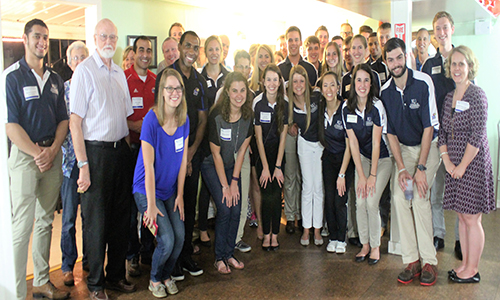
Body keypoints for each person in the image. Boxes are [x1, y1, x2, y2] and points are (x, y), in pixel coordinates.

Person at [70, 18, 137, 300]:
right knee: (96, 223)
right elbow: (75, 123)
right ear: (95, 39)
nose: (109, 41)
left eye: (113, 36)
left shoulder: (120, 73)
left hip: (120, 152)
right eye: (103, 36)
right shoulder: (83, 73)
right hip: (94, 155)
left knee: (122, 219)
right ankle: (96, 285)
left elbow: (125, 117)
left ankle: (115, 277)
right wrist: (83, 166)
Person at [4, 18, 70, 300]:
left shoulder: (55, 79)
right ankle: (18, 293)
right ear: (25, 39)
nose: (42, 42)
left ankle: (42, 282)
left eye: (46, 37)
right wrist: (37, 153)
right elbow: (11, 125)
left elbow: (63, 120)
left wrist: (53, 150)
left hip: (51, 157)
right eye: (37, 37)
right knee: (22, 226)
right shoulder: (12, 77)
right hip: (25, 159)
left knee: (45, 221)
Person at [381, 37, 440, 286]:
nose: (395, 63)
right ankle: (411, 260)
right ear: (386, 62)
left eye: (399, 57)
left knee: (419, 195)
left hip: (429, 147)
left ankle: (429, 261)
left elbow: (429, 128)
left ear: (406, 56)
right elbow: (390, 134)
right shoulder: (385, 92)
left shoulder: (423, 82)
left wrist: (421, 168)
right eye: (390, 59)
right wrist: (403, 168)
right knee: (399, 197)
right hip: (404, 151)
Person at [155, 31, 208, 280]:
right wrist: (178, 157)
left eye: (196, 47)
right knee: (167, 204)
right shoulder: (167, 76)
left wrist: (190, 153)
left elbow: (202, 119)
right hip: (168, 156)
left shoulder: (199, 80)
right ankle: (168, 261)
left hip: (191, 155)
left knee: (187, 204)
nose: (192, 51)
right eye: (187, 45)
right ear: (179, 46)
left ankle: (185, 255)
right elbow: (159, 115)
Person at [440, 46, 495, 283]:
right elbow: (442, 131)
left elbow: (477, 135)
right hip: (453, 166)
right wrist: (447, 161)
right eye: (453, 64)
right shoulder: (449, 98)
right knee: (461, 216)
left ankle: (472, 270)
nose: (457, 68)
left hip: (473, 165)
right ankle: (464, 264)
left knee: (472, 218)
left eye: (462, 64)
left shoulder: (477, 95)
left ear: (470, 67)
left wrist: (461, 166)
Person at [133, 68, 188, 297]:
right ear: (162, 92)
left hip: (170, 191)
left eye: (178, 88)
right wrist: (151, 206)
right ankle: (155, 279)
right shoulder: (151, 120)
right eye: (169, 88)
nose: (174, 92)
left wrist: (180, 196)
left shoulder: (184, 120)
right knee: (166, 239)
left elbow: (183, 162)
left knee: (180, 237)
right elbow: (148, 168)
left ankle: (166, 274)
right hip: (147, 191)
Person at [201, 71, 253, 274]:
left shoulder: (249, 116)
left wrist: (234, 182)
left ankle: (229, 253)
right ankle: (219, 257)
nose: (239, 95)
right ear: (227, 92)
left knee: (236, 207)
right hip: (212, 165)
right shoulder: (216, 116)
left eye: (242, 90)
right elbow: (215, 155)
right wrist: (225, 186)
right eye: (234, 91)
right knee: (225, 206)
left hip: (232, 165)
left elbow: (241, 152)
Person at [342, 63, 391, 265]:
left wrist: (371, 176)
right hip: (362, 157)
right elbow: (352, 143)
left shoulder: (377, 106)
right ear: (353, 83)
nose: (362, 85)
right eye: (358, 80)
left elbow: (377, 142)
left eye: (366, 80)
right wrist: (361, 176)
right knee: (360, 200)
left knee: (371, 201)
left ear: (371, 84)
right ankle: (364, 245)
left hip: (382, 159)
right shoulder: (347, 108)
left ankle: (375, 246)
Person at [422, 11, 459, 255]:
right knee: (436, 190)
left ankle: (460, 240)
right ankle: (438, 234)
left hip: (457, 138)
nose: (442, 32)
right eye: (438, 29)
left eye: (445, 27)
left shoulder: (461, 58)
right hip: (436, 137)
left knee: (458, 192)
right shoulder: (429, 64)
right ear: (434, 34)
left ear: (452, 29)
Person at [124, 36, 157, 277]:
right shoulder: (123, 78)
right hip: (131, 150)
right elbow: (119, 117)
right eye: (141, 50)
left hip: (152, 152)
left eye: (149, 50)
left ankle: (147, 249)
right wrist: (141, 127)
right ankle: (131, 255)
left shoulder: (157, 81)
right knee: (130, 208)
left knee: (149, 200)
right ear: (134, 53)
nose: (145, 54)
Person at [60, 40, 89, 287]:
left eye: (83, 57)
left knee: (90, 217)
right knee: (69, 218)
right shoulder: (62, 90)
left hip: (92, 163)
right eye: (75, 58)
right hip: (70, 165)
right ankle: (68, 266)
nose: (79, 61)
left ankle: (89, 260)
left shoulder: (93, 86)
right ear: (69, 62)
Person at [318, 71, 354, 254]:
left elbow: (350, 146)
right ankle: (332, 236)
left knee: (340, 200)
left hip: (345, 160)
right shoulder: (321, 109)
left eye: (332, 84)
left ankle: (342, 237)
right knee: (330, 199)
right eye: (326, 85)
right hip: (328, 159)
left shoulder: (346, 108)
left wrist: (342, 174)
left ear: (338, 87)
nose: (329, 89)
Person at [253, 64, 288, 251]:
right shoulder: (258, 104)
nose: (272, 83)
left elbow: (283, 136)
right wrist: (266, 167)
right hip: (262, 158)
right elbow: (258, 138)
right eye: (269, 79)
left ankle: (275, 234)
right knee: (266, 196)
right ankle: (266, 234)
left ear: (280, 82)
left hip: (279, 157)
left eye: (276, 79)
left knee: (277, 196)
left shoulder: (285, 103)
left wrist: (278, 166)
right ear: (263, 82)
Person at [288, 65, 324, 246]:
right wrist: (291, 126)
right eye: (295, 81)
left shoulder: (317, 95)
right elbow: (286, 123)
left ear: (307, 82)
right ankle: (306, 229)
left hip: (320, 145)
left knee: (318, 186)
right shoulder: (289, 102)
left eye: (301, 80)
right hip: (304, 144)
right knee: (307, 186)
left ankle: (317, 230)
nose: (298, 84)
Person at [341, 35, 381, 100]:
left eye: (360, 47)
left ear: (366, 50)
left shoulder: (374, 75)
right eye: (353, 48)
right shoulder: (345, 79)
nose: (356, 51)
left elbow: (377, 99)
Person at [201, 35, 229, 107]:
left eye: (217, 49)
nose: (214, 53)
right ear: (205, 52)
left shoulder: (229, 76)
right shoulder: (200, 78)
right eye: (210, 50)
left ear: (221, 51)